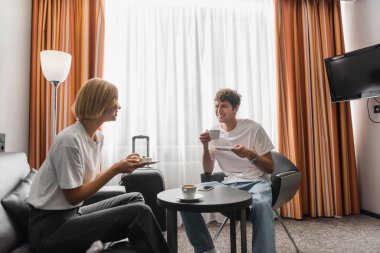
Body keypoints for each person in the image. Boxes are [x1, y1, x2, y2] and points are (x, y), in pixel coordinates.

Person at [27, 78, 170, 253]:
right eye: (115, 100)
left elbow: (88, 181)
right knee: (140, 212)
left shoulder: (97, 137)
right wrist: (116, 168)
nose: (119, 106)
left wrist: (122, 164)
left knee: (135, 198)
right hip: (49, 228)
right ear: (99, 103)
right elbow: (73, 196)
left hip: (72, 214)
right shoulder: (69, 141)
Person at [180, 88, 275, 253]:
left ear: (235, 108)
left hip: (255, 181)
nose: (218, 111)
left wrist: (250, 154)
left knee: (260, 205)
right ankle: (206, 249)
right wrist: (204, 145)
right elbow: (208, 169)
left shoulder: (253, 128)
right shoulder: (214, 131)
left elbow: (270, 167)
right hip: (228, 184)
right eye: (216, 106)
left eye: (223, 106)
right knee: (186, 199)